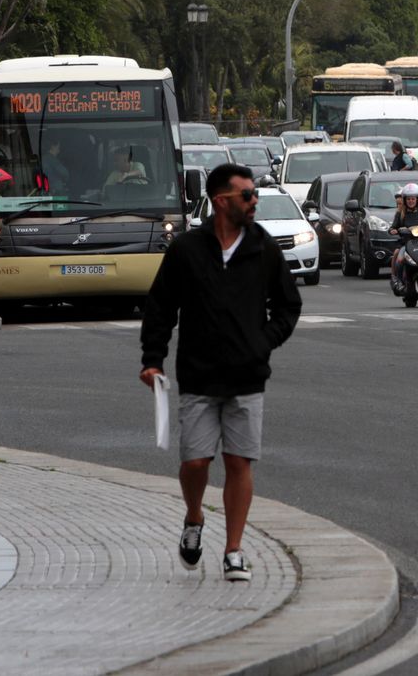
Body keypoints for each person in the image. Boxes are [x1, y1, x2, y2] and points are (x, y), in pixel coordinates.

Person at [140, 163, 301, 584]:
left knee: (238, 462)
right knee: (195, 462)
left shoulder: (263, 248)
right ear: (221, 200)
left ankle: (234, 549)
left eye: (254, 195)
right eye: (246, 195)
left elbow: (288, 306)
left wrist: (263, 342)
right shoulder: (187, 250)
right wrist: (152, 358)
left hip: (248, 376)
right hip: (198, 375)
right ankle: (194, 517)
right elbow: (160, 306)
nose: (254, 202)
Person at [388, 183, 418, 290]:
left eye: (413, 199)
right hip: (406, 243)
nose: (411, 201)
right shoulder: (400, 213)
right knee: (397, 254)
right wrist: (393, 230)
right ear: (404, 200)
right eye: (408, 199)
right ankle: (396, 278)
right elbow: (392, 227)